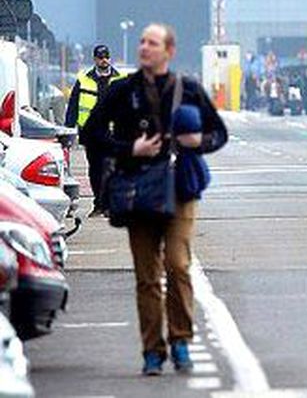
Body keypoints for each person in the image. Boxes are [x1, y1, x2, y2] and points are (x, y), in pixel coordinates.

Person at [81, 24, 227, 376]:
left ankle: (180, 339)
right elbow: (92, 134)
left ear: (169, 51)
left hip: (180, 189)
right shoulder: (122, 91)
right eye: (142, 41)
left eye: (153, 42)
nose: (144, 47)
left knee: (177, 265)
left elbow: (218, 132)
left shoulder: (187, 88)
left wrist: (197, 143)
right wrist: (130, 148)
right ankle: (152, 349)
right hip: (137, 189)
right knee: (147, 275)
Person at [65, 44, 124, 217]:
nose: (104, 60)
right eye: (100, 57)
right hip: (91, 133)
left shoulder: (120, 79)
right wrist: (69, 130)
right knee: (95, 169)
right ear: (95, 59)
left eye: (106, 57)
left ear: (110, 58)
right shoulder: (83, 79)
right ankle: (99, 204)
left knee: (111, 167)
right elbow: (73, 107)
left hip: (113, 132)